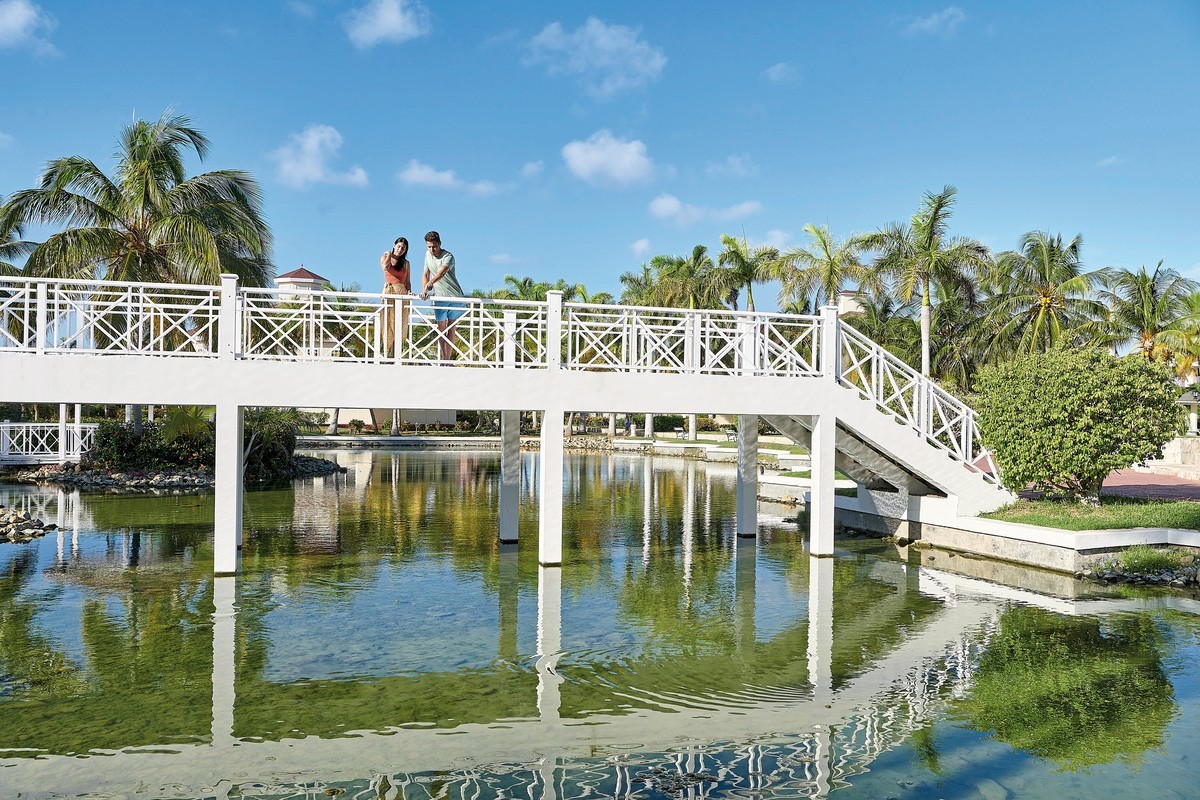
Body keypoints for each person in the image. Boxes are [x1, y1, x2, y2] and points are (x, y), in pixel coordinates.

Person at [420, 230, 466, 361]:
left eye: (434, 246)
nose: (431, 249)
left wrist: (430, 283)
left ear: (439, 244)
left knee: (451, 328)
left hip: (454, 296)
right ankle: (443, 358)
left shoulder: (448, 256)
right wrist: (424, 289)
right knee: (441, 329)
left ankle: (448, 359)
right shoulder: (427, 255)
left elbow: (441, 273)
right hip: (439, 297)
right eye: (429, 246)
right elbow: (425, 273)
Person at [380, 237, 411, 358]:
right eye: (399, 247)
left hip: (401, 292)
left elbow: (408, 282)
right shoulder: (385, 258)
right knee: (387, 322)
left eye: (403, 248)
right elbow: (385, 267)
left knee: (400, 323)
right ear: (394, 245)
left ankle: (397, 354)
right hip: (388, 291)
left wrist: (409, 294)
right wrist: (388, 254)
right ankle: (386, 354)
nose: (400, 250)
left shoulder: (406, 263)